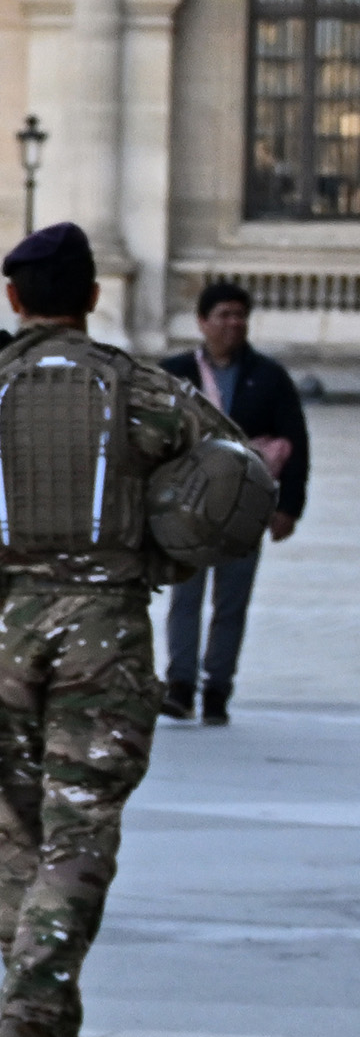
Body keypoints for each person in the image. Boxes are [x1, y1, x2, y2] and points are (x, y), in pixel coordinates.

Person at [0, 224, 238, 1037]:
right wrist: (166, 558)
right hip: (105, 634)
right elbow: (231, 476)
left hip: (0, 635)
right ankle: (35, 1015)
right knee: (80, 828)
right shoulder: (142, 390)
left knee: (16, 828)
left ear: (13, 299)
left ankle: (46, 1018)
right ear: (92, 298)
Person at [161, 279, 310, 725]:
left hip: (244, 507)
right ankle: (180, 683)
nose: (233, 324)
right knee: (185, 597)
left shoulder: (269, 376)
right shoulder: (175, 373)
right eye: (223, 315)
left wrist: (290, 507)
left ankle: (218, 688)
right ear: (202, 322)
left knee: (232, 601)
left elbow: (295, 441)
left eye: (240, 315)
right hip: (186, 508)